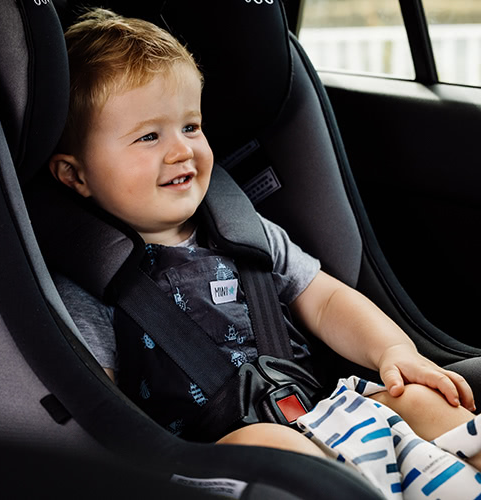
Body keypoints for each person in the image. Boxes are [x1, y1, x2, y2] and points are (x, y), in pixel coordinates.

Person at [47, 7, 480, 477]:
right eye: (149, 136)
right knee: (271, 443)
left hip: (319, 414)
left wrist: (392, 352)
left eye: (191, 126)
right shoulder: (92, 284)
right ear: (76, 174)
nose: (181, 150)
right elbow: (103, 412)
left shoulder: (243, 230)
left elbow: (328, 300)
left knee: (420, 399)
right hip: (217, 461)